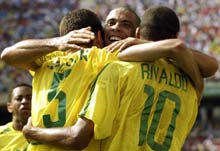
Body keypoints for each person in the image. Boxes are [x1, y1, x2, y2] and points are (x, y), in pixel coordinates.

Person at [19, 6, 218, 151]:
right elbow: (192, 55)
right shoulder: (192, 86)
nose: (115, 29)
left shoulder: (114, 69)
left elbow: (78, 137)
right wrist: (198, 81)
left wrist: (33, 132)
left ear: (137, 33)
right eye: (110, 24)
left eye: (125, 24)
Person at [0, 83, 32, 151]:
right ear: (9, 107)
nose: (24, 101)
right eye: (18, 99)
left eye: (30, 98)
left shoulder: (47, 133)